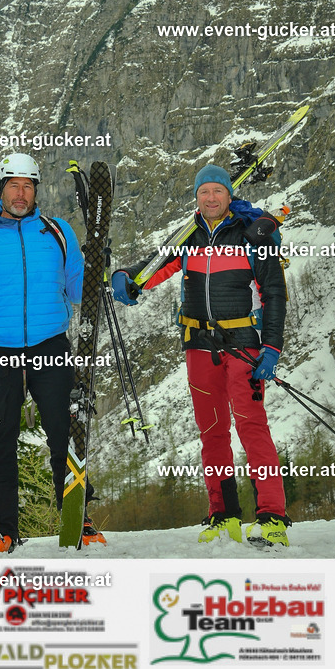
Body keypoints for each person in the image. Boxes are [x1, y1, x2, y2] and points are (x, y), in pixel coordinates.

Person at [112, 164, 290, 548]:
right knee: (211, 433)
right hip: (197, 344)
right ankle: (223, 514)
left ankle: (272, 516)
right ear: (197, 197)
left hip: (243, 344)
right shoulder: (187, 237)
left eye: (217, 191)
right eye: (204, 192)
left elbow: (274, 293)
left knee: (251, 426)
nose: (210, 198)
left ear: (229, 196)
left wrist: (272, 347)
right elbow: (152, 268)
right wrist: (126, 276)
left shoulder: (251, 234)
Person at [0, 152, 104, 554]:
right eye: (13, 185)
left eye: (28, 186)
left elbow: (77, 291)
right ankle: (1, 529)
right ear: (0, 189)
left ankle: (78, 519)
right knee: (0, 439)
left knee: (65, 435)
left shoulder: (57, 232)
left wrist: (97, 266)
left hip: (50, 346)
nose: (21, 193)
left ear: (37, 190)